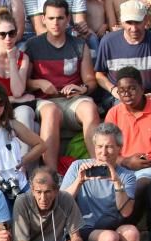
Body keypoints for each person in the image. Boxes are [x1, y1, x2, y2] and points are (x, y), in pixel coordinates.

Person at [24, 0, 99, 171]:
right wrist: (39, 83)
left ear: (68, 19)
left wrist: (82, 89)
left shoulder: (79, 45)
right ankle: (51, 172)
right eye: (50, 18)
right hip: (45, 101)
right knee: (51, 112)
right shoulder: (33, 45)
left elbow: (91, 81)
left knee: (90, 108)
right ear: (43, 19)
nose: (55, 23)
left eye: (59, 18)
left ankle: (99, 164)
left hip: (72, 99)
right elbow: (23, 84)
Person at [103, 66, 151, 208]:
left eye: (131, 88)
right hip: (122, 165)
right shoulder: (113, 113)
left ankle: (120, 221)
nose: (126, 94)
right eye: (121, 90)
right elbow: (106, 151)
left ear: (142, 87)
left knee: (138, 184)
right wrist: (126, 161)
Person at [95, 0, 151, 104]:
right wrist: (113, 89)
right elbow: (99, 75)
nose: (134, 28)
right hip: (118, 97)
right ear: (122, 22)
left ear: (145, 20)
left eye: (137, 22)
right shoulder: (108, 42)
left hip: (147, 96)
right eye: (129, 23)